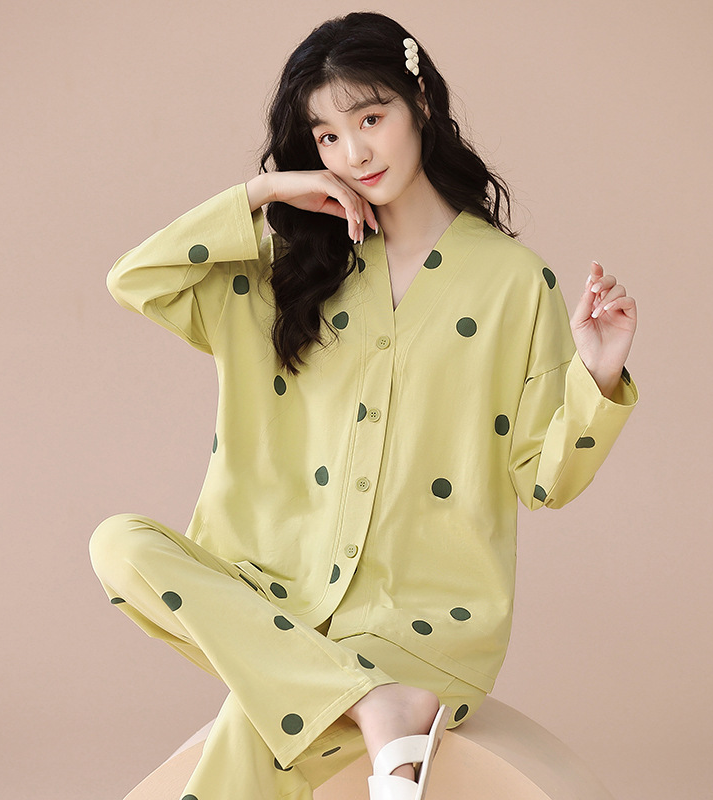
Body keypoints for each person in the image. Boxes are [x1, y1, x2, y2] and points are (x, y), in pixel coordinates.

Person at [89, 11, 638, 800]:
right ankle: (378, 706)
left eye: (371, 119)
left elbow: (545, 481)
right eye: (327, 137)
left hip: (424, 632)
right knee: (118, 544)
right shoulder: (288, 266)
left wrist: (598, 377)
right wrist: (264, 192)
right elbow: (134, 281)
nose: (353, 154)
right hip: (280, 608)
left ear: (421, 104)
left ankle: (375, 693)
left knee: (251, 729)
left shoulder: (514, 281)